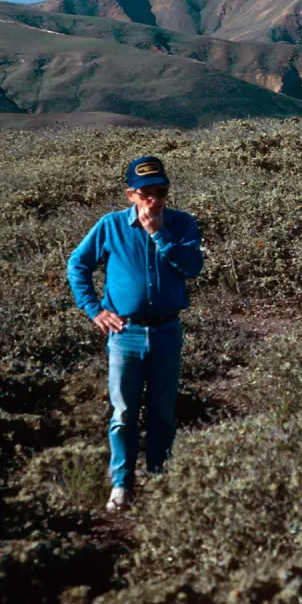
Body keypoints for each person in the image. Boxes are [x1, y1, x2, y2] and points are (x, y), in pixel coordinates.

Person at [67, 155, 203, 512]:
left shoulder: (182, 224)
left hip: (166, 331)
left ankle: (159, 481)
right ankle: (121, 485)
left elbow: (193, 267)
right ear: (131, 194)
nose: (154, 200)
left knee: (162, 411)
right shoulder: (110, 226)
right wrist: (95, 310)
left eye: (161, 191)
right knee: (124, 413)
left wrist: (159, 234)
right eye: (146, 193)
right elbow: (77, 264)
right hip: (125, 334)